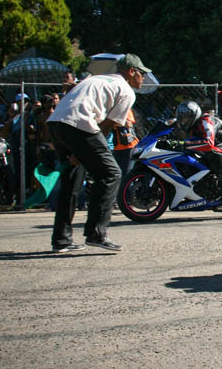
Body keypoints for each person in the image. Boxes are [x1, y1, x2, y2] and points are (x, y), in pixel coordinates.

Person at [46, 53, 147, 252]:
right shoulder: (126, 91)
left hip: (56, 123)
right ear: (131, 71)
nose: (143, 78)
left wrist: (80, 151)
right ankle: (96, 234)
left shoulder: (96, 78)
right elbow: (107, 126)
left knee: (72, 180)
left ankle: (61, 239)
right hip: (79, 124)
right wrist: (82, 150)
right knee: (112, 173)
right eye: (141, 73)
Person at [175, 100, 222, 212]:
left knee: (212, 152)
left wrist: (183, 144)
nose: (184, 121)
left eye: (186, 117)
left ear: (194, 116)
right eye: (182, 117)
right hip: (219, 144)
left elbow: (208, 144)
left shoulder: (205, 121)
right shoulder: (193, 125)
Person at [112, 109, 139, 176]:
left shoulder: (125, 109)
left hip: (129, 147)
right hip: (117, 148)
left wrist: (112, 121)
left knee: (126, 174)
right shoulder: (112, 109)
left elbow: (128, 124)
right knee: (115, 173)